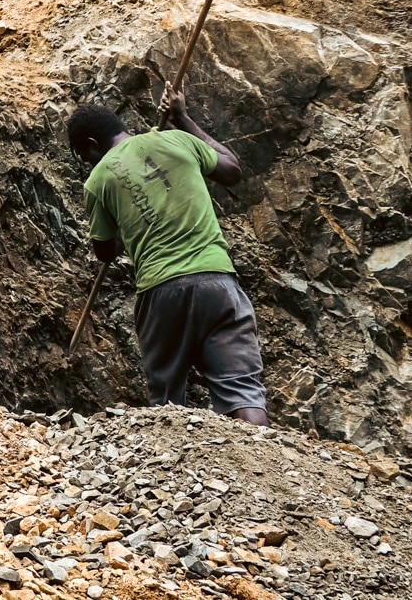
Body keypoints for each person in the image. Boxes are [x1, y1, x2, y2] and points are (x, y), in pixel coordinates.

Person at [68, 88, 267, 425]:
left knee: (166, 401)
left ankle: (172, 473)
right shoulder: (177, 139)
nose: (88, 163)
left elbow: (105, 250)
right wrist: (185, 119)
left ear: (91, 144)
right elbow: (232, 169)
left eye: (84, 156)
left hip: (161, 294)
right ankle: (263, 464)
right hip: (218, 283)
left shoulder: (98, 179)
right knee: (243, 390)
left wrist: (124, 221)